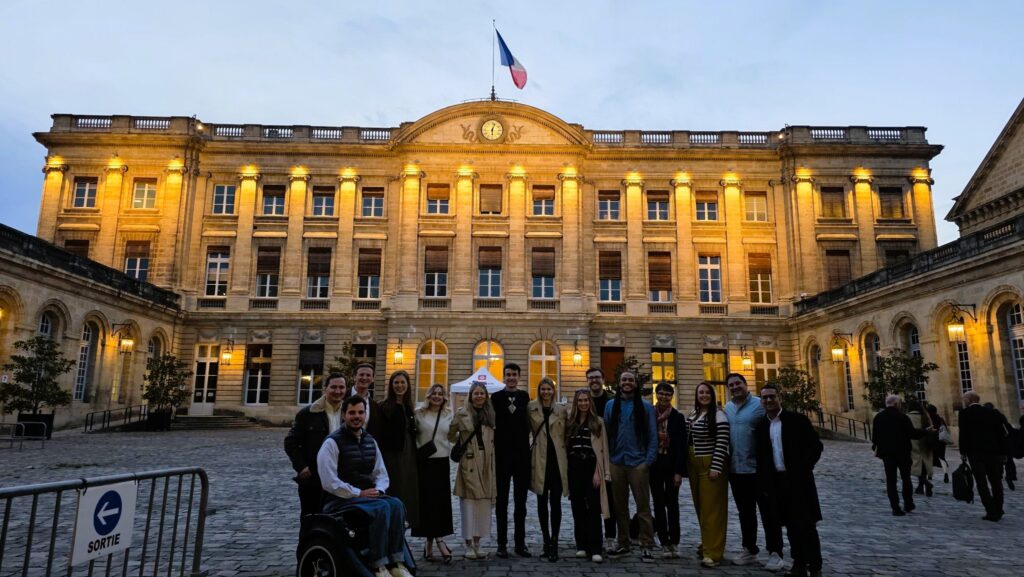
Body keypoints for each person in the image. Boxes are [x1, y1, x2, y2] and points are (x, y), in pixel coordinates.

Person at [317, 395, 413, 577]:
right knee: (382, 507)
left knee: (397, 505)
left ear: (365, 415)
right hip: (340, 500)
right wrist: (358, 493)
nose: (356, 416)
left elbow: (381, 473)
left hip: (367, 497)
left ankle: (397, 562)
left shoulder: (370, 440)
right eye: (352, 413)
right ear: (344, 415)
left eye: (360, 412)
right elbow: (329, 481)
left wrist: (379, 489)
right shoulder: (332, 443)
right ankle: (379, 565)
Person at [754, 383, 824, 577]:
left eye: (772, 397)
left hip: (799, 480)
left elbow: (816, 447)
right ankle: (799, 564)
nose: (768, 400)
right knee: (790, 525)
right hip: (777, 482)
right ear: (761, 401)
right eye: (765, 398)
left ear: (780, 398)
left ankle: (815, 566)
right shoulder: (761, 426)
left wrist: (803, 468)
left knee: (807, 525)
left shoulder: (797, 420)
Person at [723, 373, 783, 570]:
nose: (735, 387)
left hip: (758, 470)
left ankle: (775, 552)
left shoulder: (759, 404)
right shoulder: (728, 408)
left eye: (738, 383)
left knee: (768, 512)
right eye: (731, 385)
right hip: (736, 469)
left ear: (745, 384)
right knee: (745, 513)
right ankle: (749, 549)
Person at [603, 370, 657, 562]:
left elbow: (652, 435)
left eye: (630, 380)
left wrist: (647, 461)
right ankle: (623, 542)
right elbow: (606, 434)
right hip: (617, 461)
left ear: (635, 384)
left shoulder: (646, 407)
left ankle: (646, 544)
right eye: (624, 379)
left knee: (643, 507)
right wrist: (608, 459)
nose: (627, 382)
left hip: (637, 463)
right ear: (619, 383)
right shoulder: (610, 406)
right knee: (620, 508)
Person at [284, 373, 347, 519]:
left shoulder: (348, 413)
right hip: (314, 477)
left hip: (342, 476)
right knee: (310, 518)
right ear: (325, 389)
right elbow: (290, 442)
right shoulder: (308, 413)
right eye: (334, 387)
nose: (338, 391)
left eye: (341, 387)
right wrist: (301, 467)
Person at [449, 382, 497, 558]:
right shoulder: (462, 413)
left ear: (486, 396)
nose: (479, 396)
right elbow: (450, 434)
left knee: (483, 504)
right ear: (470, 395)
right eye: (476, 393)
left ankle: (478, 542)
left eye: (482, 394)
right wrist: (462, 445)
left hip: (487, 461)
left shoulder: (491, 414)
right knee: (468, 504)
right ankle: (468, 544)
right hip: (469, 461)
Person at [490, 362, 532, 558]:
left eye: (514, 374)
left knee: (520, 503)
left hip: (522, 456)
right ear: (503, 376)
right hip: (502, 456)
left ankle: (520, 543)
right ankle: (501, 544)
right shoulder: (496, 398)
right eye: (508, 375)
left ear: (519, 376)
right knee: (502, 503)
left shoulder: (524, 397)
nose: (511, 377)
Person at [687, 382, 731, 568]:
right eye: (701, 392)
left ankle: (712, 552)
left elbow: (722, 442)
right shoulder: (694, 414)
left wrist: (716, 466)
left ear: (712, 396)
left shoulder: (719, 415)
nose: (704, 395)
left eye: (707, 392)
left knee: (712, 510)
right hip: (694, 464)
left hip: (709, 464)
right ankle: (707, 541)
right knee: (701, 507)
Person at [565, 388, 611, 564]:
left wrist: (599, 472)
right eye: (580, 401)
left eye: (586, 400)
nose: (583, 403)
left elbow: (603, 450)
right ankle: (581, 545)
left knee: (593, 509)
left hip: (592, 467)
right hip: (575, 467)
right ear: (576, 403)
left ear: (590, 403)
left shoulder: (598, 422)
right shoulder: (571, 423)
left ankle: (596, 547)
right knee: (577, 508)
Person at [528, 377, 569, 561]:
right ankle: (545, 540)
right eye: (543, 389)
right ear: (539, 390)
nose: (546, 392)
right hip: (540, 460)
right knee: (541, 503)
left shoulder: (561, 409)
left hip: (557, 462)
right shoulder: (531, 408)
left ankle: (555, 541)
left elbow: (567, 434)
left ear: (553, 391)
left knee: (556, 504)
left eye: (549, 389)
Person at [374, 371, 421, 531]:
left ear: (408, 385)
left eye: (403, 383)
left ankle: (402, 525)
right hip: (391, 457)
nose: (399, 386)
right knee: (394, 491)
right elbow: (378, 434)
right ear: (391, 386)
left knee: (408, 493)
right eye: (396, 383)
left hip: (409, 457)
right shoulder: (383, 407)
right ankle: (393, 527)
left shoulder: (409, 407)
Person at [413, 384, 454, 563]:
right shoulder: (418, 414)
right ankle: (439, 541)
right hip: (424, 463)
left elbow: (453, 437)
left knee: (440, 504)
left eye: (440, 394)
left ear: (444, 397)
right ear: (428, 395)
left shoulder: (448, 415)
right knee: (427, 503)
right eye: (434, 393)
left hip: (442, 462)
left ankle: (429, 545)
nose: (437, 396)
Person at [649, 382, 687, 558]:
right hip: (655, 465)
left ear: (672, 396)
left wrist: (679, 472)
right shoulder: (650, 415)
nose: (664, 397)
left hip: (671, 466)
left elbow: (681, 446)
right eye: (661, 393)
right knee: (658, 504)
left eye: (667, 394)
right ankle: (664, 542)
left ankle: (675, 542)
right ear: (656, 394)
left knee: (672, 504)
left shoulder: (678, 417)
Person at [871, 395, 926, 515]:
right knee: (906, 478)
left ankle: (895, 507)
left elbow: (874, 438)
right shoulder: (902, 417)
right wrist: (926, 431)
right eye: (900, 403)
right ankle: (908, 504)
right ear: (896, 404)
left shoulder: (878, 417)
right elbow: (912, 434)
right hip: (903, 452)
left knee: (891, 481)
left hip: (887, 453)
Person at [960, 392, 1009, 521]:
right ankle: (999, 508)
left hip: (975, 453)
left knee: (981, 483)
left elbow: (963, 435)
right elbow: (1002, 434)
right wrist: (1004, 452)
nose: (963, 401)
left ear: (969, 400)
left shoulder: (965, 414)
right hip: (993, 452)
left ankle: (990, 511)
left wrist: (963, 452)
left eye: (964, 399)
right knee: (996, 482)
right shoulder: (992, 413)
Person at [586, 367, 617, 550]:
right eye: (591, 378)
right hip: (588, 456)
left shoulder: (611, 401)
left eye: (597, 377)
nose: (594, 380)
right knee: (590, 499)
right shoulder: (583, 400)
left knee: (609, 498)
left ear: (603, 379)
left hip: (609, 454)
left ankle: (611, 536)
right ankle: (593, 535)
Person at [906, 399, 934, 497]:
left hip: (913, 441)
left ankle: (925, 484)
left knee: (916, 465)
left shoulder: (908, 416)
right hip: (925, 441)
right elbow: (931, 428)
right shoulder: (925, 416)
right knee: (924, 464)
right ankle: (921, 486)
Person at [927, 404, 951, 483]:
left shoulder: (927, 419)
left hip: (931, 440)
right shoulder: (940, 419)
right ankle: (945, 474)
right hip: (941, 440)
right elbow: (945, 428)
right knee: (942, 457)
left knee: (929, 457)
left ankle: (929, 476)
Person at [352, 363, 378, 433]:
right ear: (354, 377)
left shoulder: (375, 406)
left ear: (373, 379)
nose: (364, 378)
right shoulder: (342, 397)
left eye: (368, 375)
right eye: (361, 374)